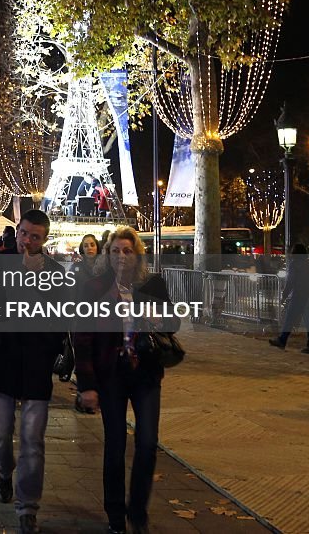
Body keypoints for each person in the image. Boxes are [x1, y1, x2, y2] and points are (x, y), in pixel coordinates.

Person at [73, 226, 180, 534]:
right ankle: (116, 514)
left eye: (128, 251)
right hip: (111, 376)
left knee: (147, 444)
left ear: (137, 254)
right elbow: (83, 337)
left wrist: (158, 317)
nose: (121, 257)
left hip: (145, 373)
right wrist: (87, 385)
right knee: (115, 445)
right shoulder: (94, 287)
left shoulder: (152, 283)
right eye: (116, 251)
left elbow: (173, 321)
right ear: (108, 255)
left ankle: (138, 510)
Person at [0, 209, 66, 534]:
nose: (26, 241)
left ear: (44, 240)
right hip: (3, 360)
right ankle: (4, 471)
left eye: (34, 237)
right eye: (23, 234)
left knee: (32, 441)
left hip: (36, 364)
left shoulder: (56, 273)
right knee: (1, 433)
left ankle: (28, 505)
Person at [269, 243, 309, 349]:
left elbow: (290, 282)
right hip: (307, 294)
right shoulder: (308, 263)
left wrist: (284, 295)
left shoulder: (294, 264)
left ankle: (283, 340)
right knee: (308, 320)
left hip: (298, 295)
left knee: (290, 318)